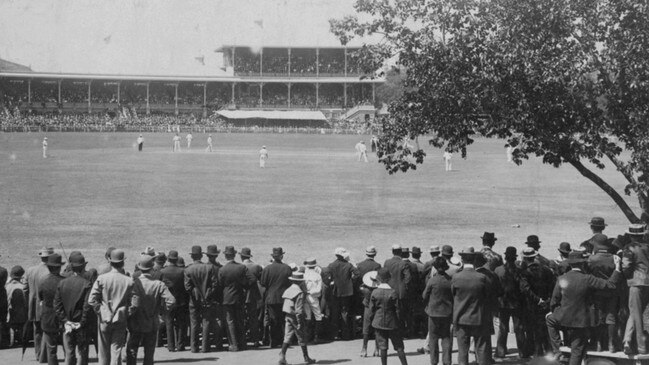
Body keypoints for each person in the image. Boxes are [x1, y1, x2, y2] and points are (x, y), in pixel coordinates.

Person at [547, 251, 621, 365]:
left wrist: (555, 313)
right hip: (580, 321)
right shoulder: (588, 279)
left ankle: (558, 350)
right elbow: (610, 285)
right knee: (577, 351)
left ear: (570, 264)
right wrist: (618, 269)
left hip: (563, 318)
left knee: (549, 319)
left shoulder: (561, 278)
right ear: (582, 264)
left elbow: (554, 301)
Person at [126, 255, 175, 365]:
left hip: (135, 321)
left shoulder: (133, 282)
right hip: (152, 320)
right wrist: (163, 313)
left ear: (140, 268)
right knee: (149, 352)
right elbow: (171, 301)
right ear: (152, 268)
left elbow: (131, 302)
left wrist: (128, 314)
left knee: (132, 349)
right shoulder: (159, 284)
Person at [88, 249, 134, 365]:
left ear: (110, 262)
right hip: (120, 319)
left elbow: (91, 300)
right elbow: (134, 303)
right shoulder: (129, 280)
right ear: (123, 263)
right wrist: (126, 312)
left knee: (103, 352)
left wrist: (101, 311)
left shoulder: (102, 278)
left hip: (104, 319)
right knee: (116, 350)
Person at [452, 247, 490, 365]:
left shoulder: (456, 277)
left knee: (463, 351)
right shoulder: (482, 278)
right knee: (481, 349)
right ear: (474, 260)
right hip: (478, 317)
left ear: (462, 260)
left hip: (461, 317)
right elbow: (486, 297)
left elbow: (453, 295)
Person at [54, 252, 93, 365]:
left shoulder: (62, 283)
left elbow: (57, 305)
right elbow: (87, 306)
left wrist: (65, 321)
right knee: (82, 352)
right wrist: (82, 322)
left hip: (67, 323)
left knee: (69, 352)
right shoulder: (86, 284)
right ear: (83, 267)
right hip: (81, 323)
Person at [183, 245, 220, 353]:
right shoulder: (209, 268)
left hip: (193, 301)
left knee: (194, 324)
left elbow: (187, 287)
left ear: (192, 257)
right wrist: (208, 295)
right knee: (206, 323)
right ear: (201, 255)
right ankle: (205, 347)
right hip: (207, 300)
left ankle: (194, 348)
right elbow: (214, 284)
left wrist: (195, 295)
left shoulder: (188, 269)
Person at [519, 247, 555, 357]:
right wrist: (547, 299)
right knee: (545, 328)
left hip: (532, 305)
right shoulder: (546, 269)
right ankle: (549, 351)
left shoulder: (525, 272)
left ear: (525, 258)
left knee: (534, 329)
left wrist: (537, 299)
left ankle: (537, 352)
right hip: (546, 303)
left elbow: (525, 289)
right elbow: (553, 286)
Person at [494, 247, 528, 359]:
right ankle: (522, 352)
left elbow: (496, 288)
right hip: (516, 303)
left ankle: (500, 351)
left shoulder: (498, 270)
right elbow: (523, 288)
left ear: (505, 257)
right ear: (514, 257)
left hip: (503, 303)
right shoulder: (519, 270)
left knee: (503, 328)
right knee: (519, 328)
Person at [370, 267, 408, 365]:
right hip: (392, 322)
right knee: (399, 346)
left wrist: (372, 320)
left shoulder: (375, 292)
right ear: (389, 278)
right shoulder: (393, 292)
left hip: (378, 322)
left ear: (378, 278)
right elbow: (398, 309)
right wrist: (400, 322)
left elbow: (371, 310)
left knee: (383, 347)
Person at [621, 223, 649, 355]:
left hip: (636, 283)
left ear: (631, 235)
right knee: (635, 312)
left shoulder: (629, 248)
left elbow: (626, 267)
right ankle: (626, 340)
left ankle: (641, 347)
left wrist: (627, 277)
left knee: (635, 313)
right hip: (647, 282)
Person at [219, 246, 253, 352]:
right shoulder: (241, 267)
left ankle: (233, 345)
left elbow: (219, 285)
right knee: (240, 321)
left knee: (230, 322)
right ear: (234, 255)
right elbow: (252, 279)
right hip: (239, 298)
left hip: (227, 298)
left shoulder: (222, 269)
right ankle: (242, 344)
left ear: (225, 255)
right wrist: (244, 287)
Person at [278, 271, 316, 365]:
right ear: (300, 282)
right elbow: (298, 310)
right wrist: (299, 322)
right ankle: (306, 357)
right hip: (295, 316)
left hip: (287, 315)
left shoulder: (288, 290)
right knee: (301, 337)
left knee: (287, 336)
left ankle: (282, 355)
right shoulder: (299, 293)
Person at [25, 247, 54, 363]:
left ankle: (39, 355)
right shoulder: (51, 271)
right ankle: (45, 355)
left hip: (34, 305)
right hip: (47, 306)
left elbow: (25, 289)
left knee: (37, 331)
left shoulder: (30, 270)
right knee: (48, 331)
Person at [423, 257, 453, 365]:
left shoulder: (432, 280)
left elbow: (424, 295)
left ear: (435, 267)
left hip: (433, 312)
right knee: (446, 338)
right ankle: (447, 361)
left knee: (433, 338)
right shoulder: (450, 280)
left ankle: (434, 362)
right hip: (447, 312)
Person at [260, 247, 292, 348]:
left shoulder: (267, 269)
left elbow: (263, 283)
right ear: (282, 256)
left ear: (273, 257)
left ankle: (273, 341)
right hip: (284, 297)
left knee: (273, 320)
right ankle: (284, 341)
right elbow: (289, 283)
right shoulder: (287, 268)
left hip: (271, 298)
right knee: (283, 320)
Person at [39, 253, 66, 365]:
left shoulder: (43, 280)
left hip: (48, 316)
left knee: (51, 349)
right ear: (59, 267)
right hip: (63, 317)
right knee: (68, 348)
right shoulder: (64, 281)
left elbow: (40, 297)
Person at [328, 247, 359, 340]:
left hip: (335, 291)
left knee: (335, 313)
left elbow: (327, 274)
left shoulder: (331, 265)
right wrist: (351, 282)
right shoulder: (348, 265)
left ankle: (335, 334)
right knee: (344, 312)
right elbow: (357, 274)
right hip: (347, 291)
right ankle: (346, 334)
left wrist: (331, 281)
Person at [159, 250, 188, 352]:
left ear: (168, 259)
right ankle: (180, 345)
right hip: (181, 300)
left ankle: (171, 346)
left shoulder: (162, 271)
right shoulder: (182, 271)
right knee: (181, 323)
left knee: (169, 323)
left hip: (168, 301)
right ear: (176, 259)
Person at [383, 244, 411, 333]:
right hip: (400, 291)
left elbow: (384, 275)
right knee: (400, 312)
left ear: (392, 252)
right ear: (401, 252)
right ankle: (400, 330)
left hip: (388, 290)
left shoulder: (387, 262)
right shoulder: (403, 263)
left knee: (389, 310)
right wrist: (405, 288)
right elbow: (408, 278)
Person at [240, 247, 263, 347]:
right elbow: (261, 281)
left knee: (241, 318)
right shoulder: (257, 266)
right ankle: (255, 340)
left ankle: (242, 339)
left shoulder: (239, 266)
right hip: (253, 296)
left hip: (241, 296)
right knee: (253, 318)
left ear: (241, 256)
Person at [303, 258, 324, 343]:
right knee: (318, 315)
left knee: (307, 316)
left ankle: (307, 337)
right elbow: (319, 289)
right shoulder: (317, 276)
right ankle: (316, 336)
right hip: (313, 297)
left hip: (305, 296)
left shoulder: (304, 275)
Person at [360, 271, 380, 357]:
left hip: (368, 308)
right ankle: (377, 349)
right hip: (377, 309)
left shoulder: (364, 290)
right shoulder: (378, 290)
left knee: (366, 328)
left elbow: (360, 286)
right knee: (377, 329)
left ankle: (364, 348)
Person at [6, 265, 26, 348]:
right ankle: (21, 338)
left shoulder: (6, 287)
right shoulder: (23, 287)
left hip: (9, 314)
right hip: (21, 315)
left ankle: (12, 339)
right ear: (21, 276)